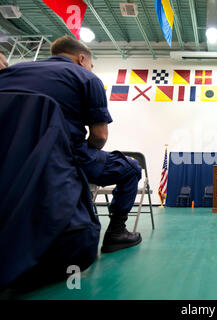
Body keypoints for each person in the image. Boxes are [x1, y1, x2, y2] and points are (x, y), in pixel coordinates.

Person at [0, 36, 142, 289]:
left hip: (9, 159)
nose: (90, 69)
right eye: (91, 65)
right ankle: (116, 233)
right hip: (64, 157)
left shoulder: (12, 71)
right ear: (82, 58)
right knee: (131, 167)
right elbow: (99, 137)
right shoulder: (85, 78)